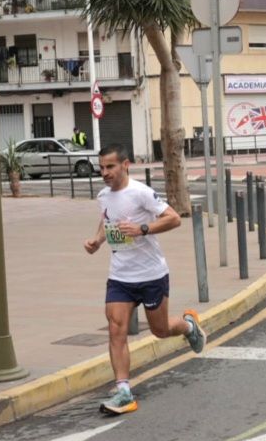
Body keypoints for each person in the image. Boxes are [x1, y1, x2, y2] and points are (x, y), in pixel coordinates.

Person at [83, 143, 206, 415]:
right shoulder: (103, 196)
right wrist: (97, 240)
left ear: (125, 165)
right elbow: (107, 220)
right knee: (116, 328)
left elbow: (174, 219)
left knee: (160, 330)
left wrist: (142, 228)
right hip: (120, 276)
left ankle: (188, 327)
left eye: (110, 167)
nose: (104, 172)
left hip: (151, 274)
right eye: (101, 167)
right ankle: (124, 391)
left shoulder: (141, 193)